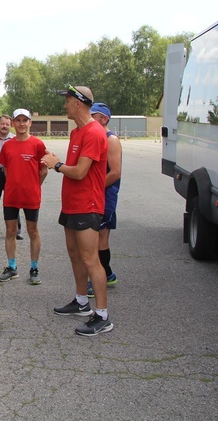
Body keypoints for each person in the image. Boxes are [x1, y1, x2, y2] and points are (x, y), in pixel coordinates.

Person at [42, 85, 111, 336]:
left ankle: (102, 316)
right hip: (72, 204)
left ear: (79, 103)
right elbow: (75, 167)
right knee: (74, 254)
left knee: (91, 259)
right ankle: (82, 302)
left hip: (87, 205)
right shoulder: (77, 133)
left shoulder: (93, 132)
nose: (65, 105)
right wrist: (58, 161)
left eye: (68, 101)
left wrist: (56, 164)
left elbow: (80, 173)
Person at [0, 109, 48, 284]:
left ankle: (34, 268)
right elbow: (5, 169)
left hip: (31, 196)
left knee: (32, 231)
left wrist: (33, 185)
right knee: (10, 231)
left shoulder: (38, 144)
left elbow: (44, 170)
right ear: (12, 122)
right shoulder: (8, 145)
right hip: (11, 196)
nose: (21, 124)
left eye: (25, 120)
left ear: (30, 123)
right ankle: (12, 267)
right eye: (17, 120)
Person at [87, 102, 121, 297]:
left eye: (94, 116)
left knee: (101, 238)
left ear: (104, 119)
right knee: (96, 237)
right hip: (95, 195)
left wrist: (93, 187)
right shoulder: (96, 137)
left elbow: (115, 173)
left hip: (105, 196)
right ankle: (107, 274)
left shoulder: (112, 140)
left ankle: (100, 277)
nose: (90, 119)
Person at [0, 114, 23, 240]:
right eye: (2, 124)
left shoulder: (15, 139)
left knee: (13, 200)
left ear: (11, 125)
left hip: (10, 172)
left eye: (7, 124)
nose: (4, 126)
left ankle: (16, 230)